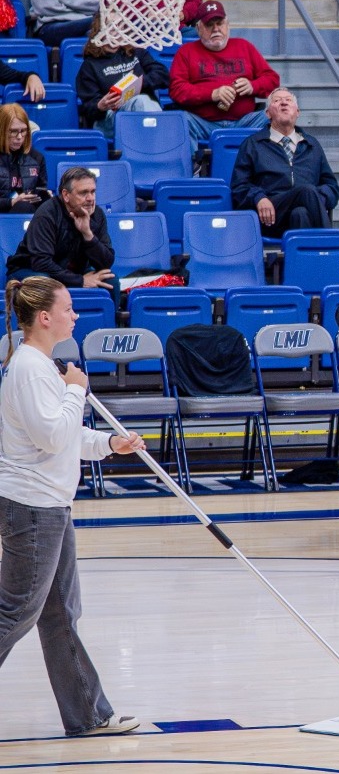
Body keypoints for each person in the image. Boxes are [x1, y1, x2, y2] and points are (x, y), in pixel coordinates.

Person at [0, 276, 147, 738]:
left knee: (61, 612)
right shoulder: (30, 367)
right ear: (44, 317)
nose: (76, 316)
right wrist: (76, 391)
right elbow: (52, 435)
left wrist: (110, 443)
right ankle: (89, 713)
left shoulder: (43, 366)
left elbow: (65, 440)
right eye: (68, 309)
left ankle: (89, 714)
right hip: (31, 507)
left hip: (51, 504)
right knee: (15, 612)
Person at [230, 89, 339, 238]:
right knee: (306, 191)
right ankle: (331, 246)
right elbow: (239, 186)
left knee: (301, 213)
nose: (283, 103)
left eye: (288, 100)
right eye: (277, 101)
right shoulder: (253, 144)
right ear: (268, 113)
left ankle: (302, 260)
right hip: (270, 215)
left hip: (304, 216)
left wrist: (316, 199)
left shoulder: (311, 145)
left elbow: (332, 187)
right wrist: (258, 197)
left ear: (298, 112)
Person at [169, 1, 278, 145]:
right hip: (202, 123)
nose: (216, 29)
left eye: (219, 23)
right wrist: (212, 94)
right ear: (198, 28)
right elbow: (177, 89)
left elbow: (272, 79)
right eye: (209, 25)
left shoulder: (244, 46)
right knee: (180, 121)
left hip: (245, 122)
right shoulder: (186, 52)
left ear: (227, 25)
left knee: (278, 112)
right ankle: (193, 166)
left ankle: (275, 166)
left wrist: (253, 86)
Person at [5, 167, 113, 292]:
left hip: (72, 270)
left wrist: (88, 234)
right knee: (45, 282)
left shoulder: (97, 215)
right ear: (66, 195)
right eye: (83, 193)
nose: (90, 198)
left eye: (93, 192)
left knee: (110, 280)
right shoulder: (47, 214)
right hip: (29, 270)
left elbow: (106, 263)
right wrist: (80, 280)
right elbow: (41, 263)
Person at [75, 15, 170, 141]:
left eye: (119, 28)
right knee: (141, 102)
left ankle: (153, 144)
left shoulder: (136, 52)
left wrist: (140, 83)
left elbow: (163, 75)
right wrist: (100, 105)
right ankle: (160, 143)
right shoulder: (89, 66)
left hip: (143, 109)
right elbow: (87, 108)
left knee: (143, 101)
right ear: (99, 30)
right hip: (109, 118)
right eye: (110, 27)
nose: (115, 33)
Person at [0, 105, 49, 215]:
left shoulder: (37, 158)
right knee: (23, 206)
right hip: (4, 213)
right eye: (13, 131)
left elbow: (41, 189)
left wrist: (44, 196)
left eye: (23, 131)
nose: (19, 137)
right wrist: (12, 202)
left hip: (27, 213)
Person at [27, 0, 98, 47]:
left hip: (84, 24)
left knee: (97, 29)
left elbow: (95, 5)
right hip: (49, 26)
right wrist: (80, 3)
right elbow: (43, 6)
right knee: (97, 22)